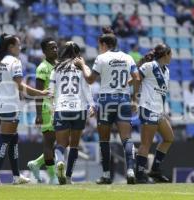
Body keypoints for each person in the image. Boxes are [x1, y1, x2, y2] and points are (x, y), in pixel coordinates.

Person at [0, 33, 48, 185]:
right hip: (10, 105)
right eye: (18, 45)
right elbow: (20, 86)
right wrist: (40, 93)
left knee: (13, 139)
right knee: (4, 141)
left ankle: (16, 176)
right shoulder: (14, 61)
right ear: (10, 47)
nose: (20, 47)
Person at [75, 27, 140, 184]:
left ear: (104, 44)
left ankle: (105, 175)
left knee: (104, 140)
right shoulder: (128, 57)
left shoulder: (101, 58)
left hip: (106, 100)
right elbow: (137, 78)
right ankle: (131, 170)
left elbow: (90, 79)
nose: (99, 47)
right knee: (127, 138)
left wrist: (83, 65)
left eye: (99, 44)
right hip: (124, 100)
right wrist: (134, 99)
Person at [49, 41, 95, 184]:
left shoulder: (56, 68)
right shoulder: (82, 67)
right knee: (74, 144)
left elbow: (51, 92)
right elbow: (86, 88)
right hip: (79, 108)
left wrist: (52, 107)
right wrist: (92, 105)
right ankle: (68, 177)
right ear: (78, 53)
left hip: (61, 108)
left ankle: (60, 161)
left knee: (61, 144)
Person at [135, 44, 173, 183]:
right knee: (146, 143)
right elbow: (136, 78)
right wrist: (134, 98)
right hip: (147, 108)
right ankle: (139, 175)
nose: (172, 57)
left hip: (159, 110)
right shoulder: (149, 66)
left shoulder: (167, 71)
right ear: (165, 54)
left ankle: (155, 170)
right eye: (171, 54)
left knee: (169, 138)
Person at [27, 38, 59, 184]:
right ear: (44, 51)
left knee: (59, 142)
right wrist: (39, 114)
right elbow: (39, 92)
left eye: (56, 47)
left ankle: (36, 164)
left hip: (59, 107)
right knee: (49, 142)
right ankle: (52, 177)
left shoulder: (59, 66)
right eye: (51, 48)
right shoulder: (42, 68)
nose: (55, 50)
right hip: (48, 108)